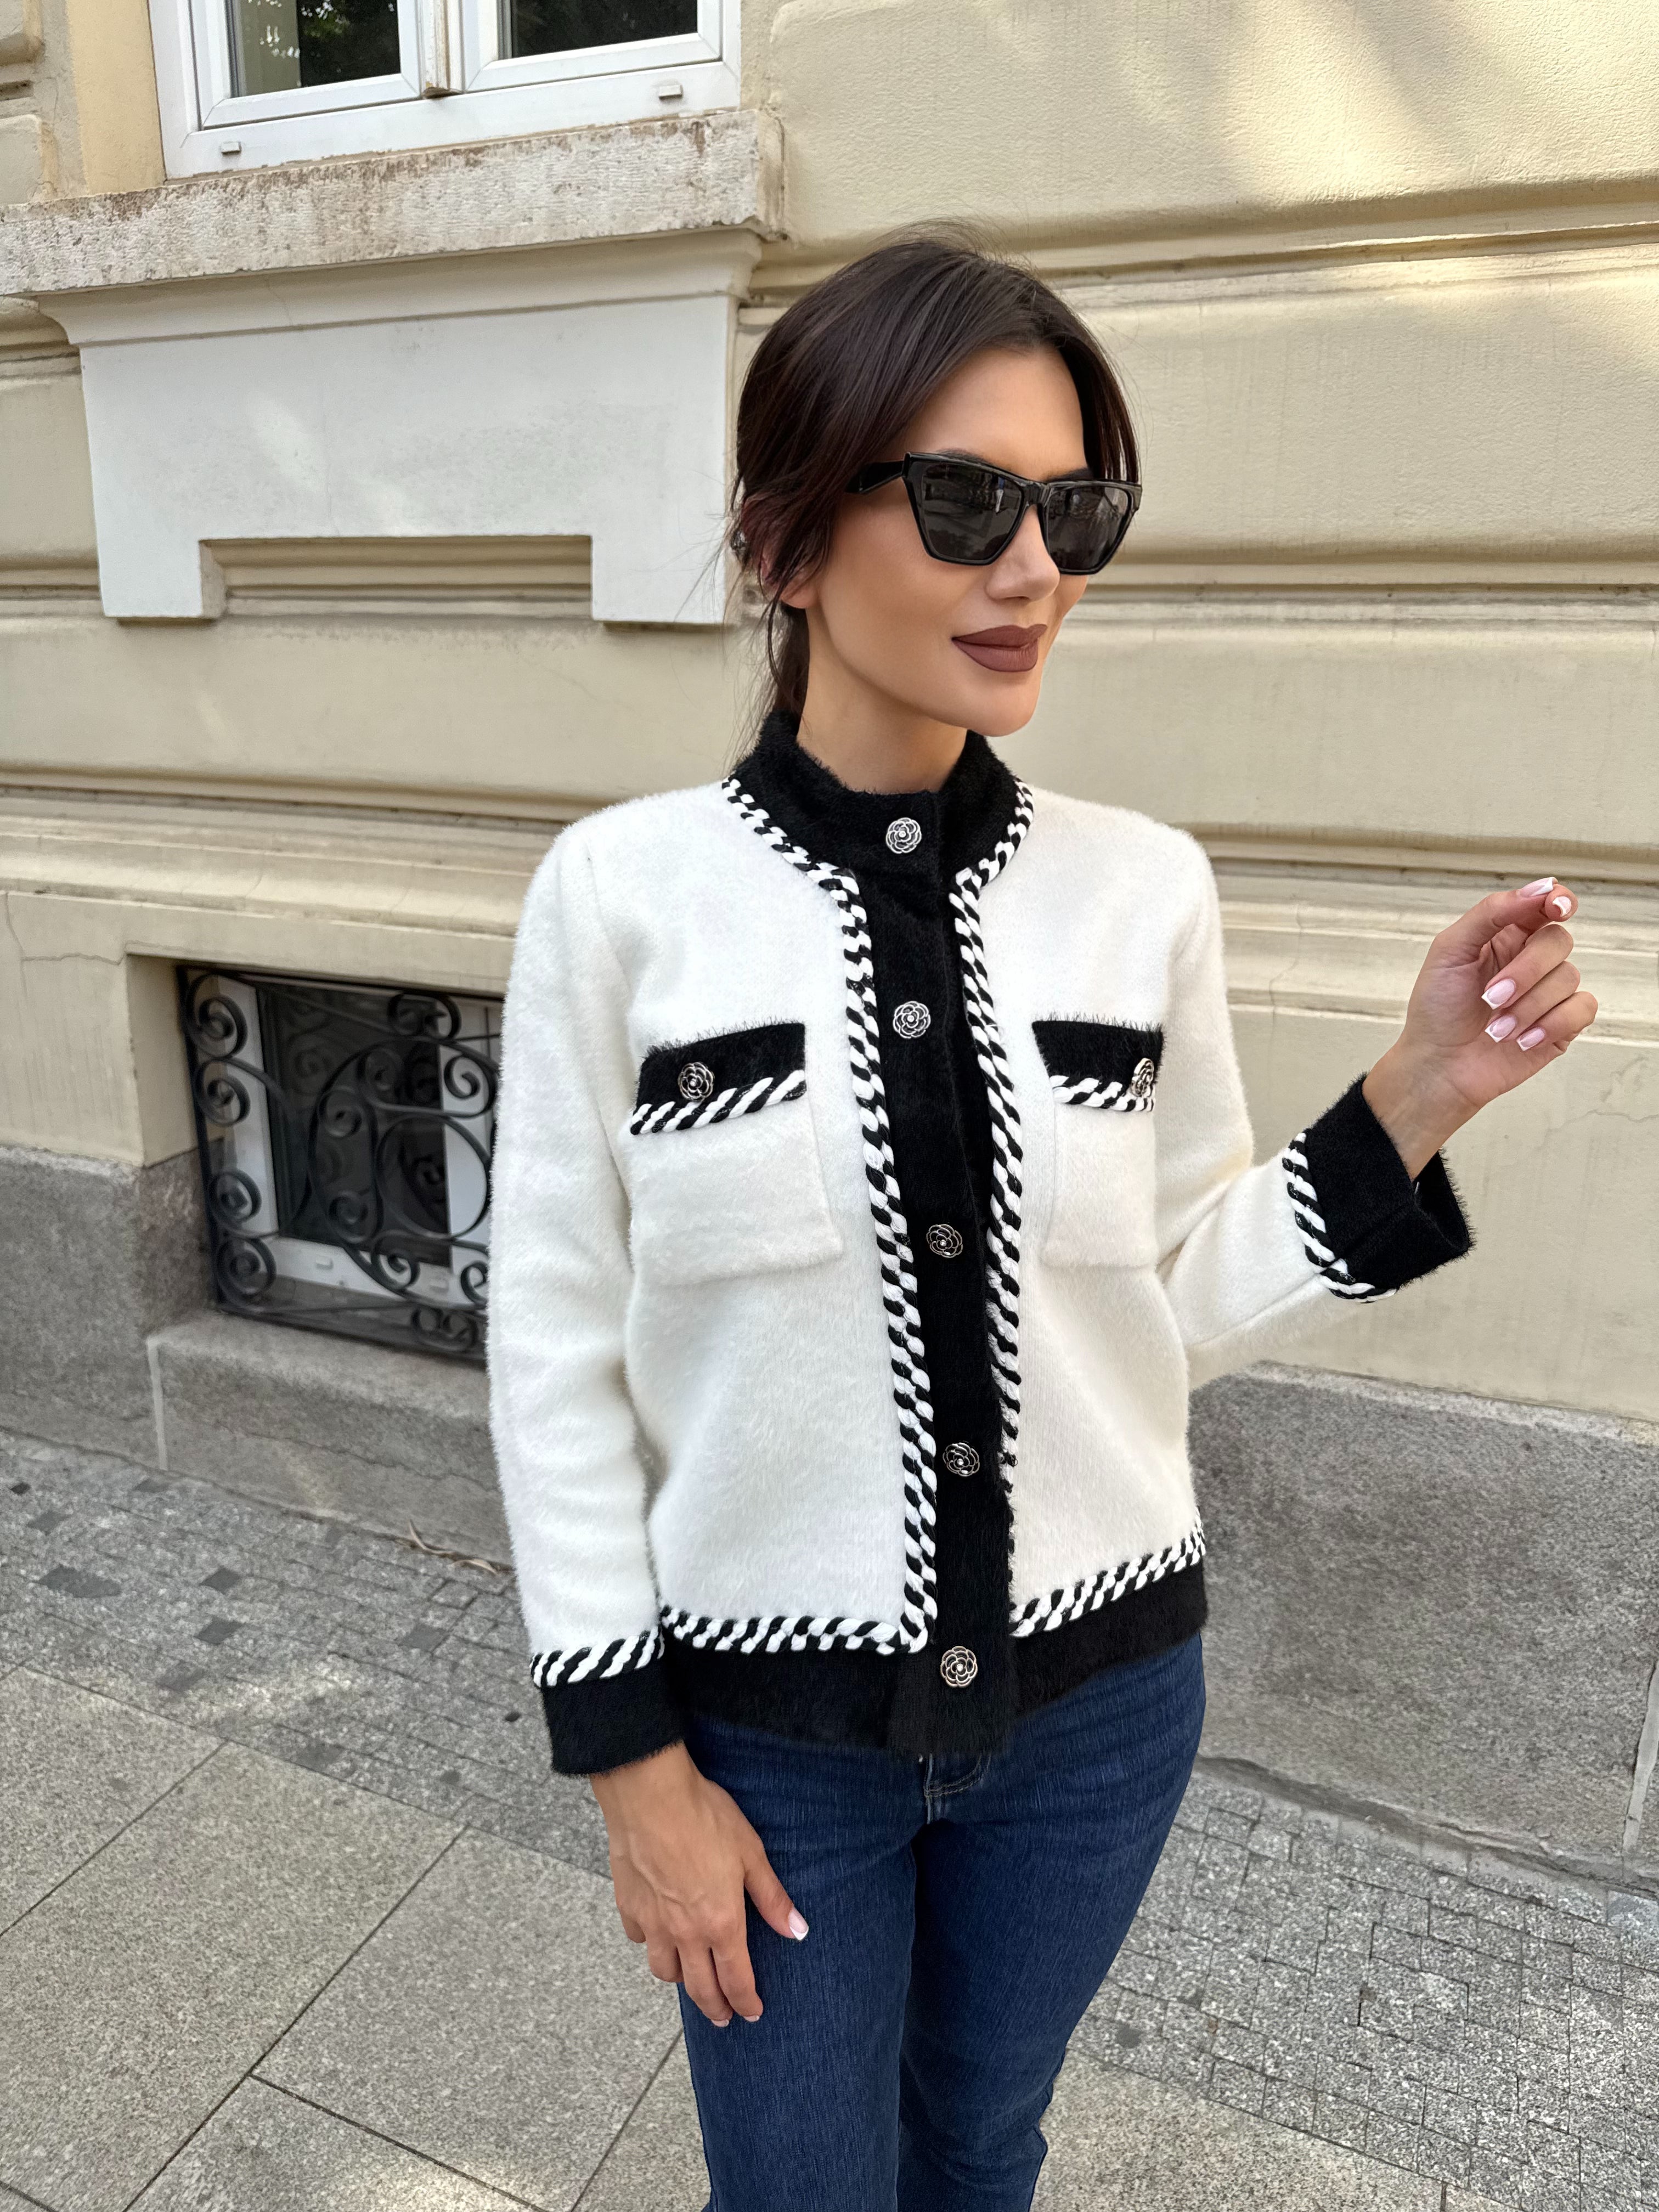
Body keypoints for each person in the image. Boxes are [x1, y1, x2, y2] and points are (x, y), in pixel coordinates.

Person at [485, 234, 1596, 2212]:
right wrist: (633, 1770)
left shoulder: (1140, 891)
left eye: (1071, 512)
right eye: (964, 502)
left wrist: (1421, 1093)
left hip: (1099, 1717)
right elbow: (556, 1355)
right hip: (770, 1739)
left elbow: (1168, 1296)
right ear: (785, 540)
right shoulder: (620, 899)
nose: (1032, 571)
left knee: (982, 2148)